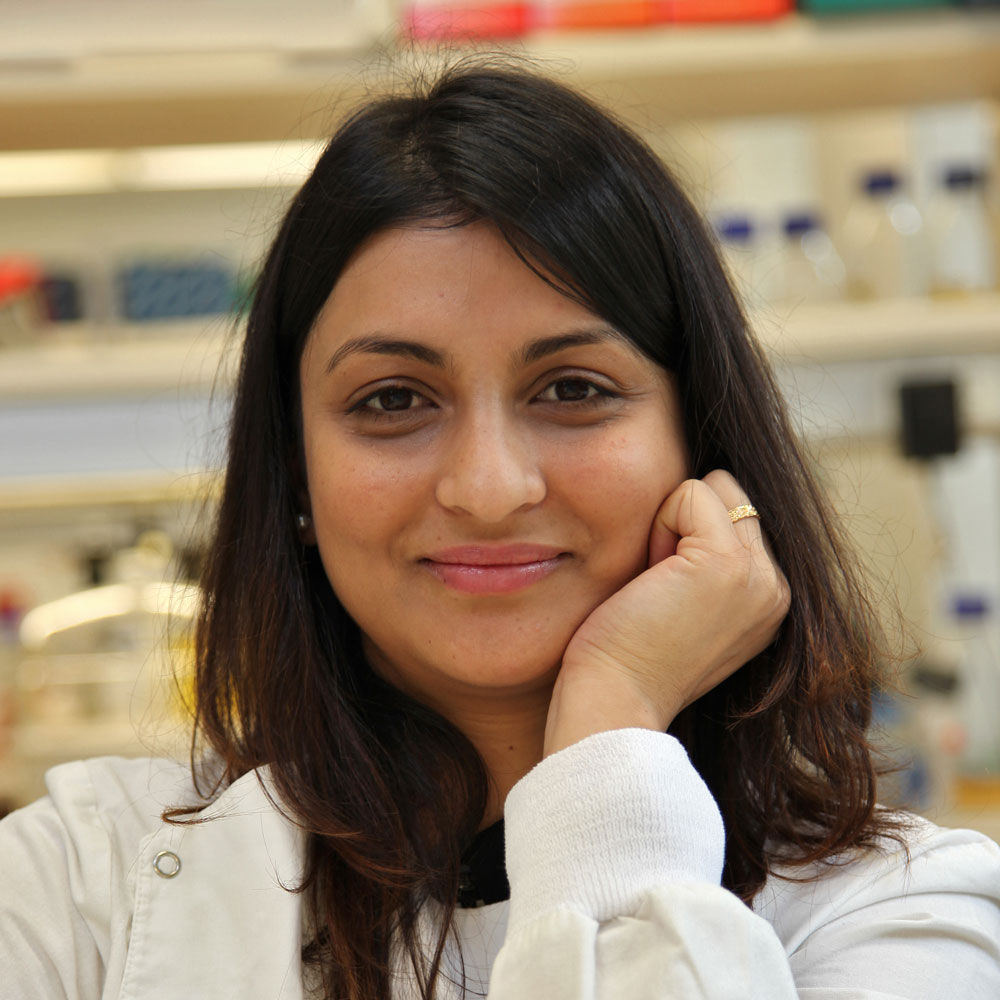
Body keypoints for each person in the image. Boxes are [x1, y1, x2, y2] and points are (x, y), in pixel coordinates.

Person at [2, 59, 999, 1000]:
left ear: (699, 443)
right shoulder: (74, 890)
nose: (487, 487)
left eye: (572, 388)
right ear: (294, 475)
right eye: (393, 400)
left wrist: (612, 719)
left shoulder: (907, 916)